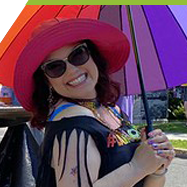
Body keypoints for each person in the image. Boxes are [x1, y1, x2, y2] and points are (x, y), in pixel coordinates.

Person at [14, 18, 175, 187]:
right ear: (47, 81)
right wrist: (138, 167)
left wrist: (157, 168)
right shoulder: (72, 127)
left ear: (93, 56)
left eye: (78, 54)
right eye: (55, 67)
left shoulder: (110, 110)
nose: (72, 70)